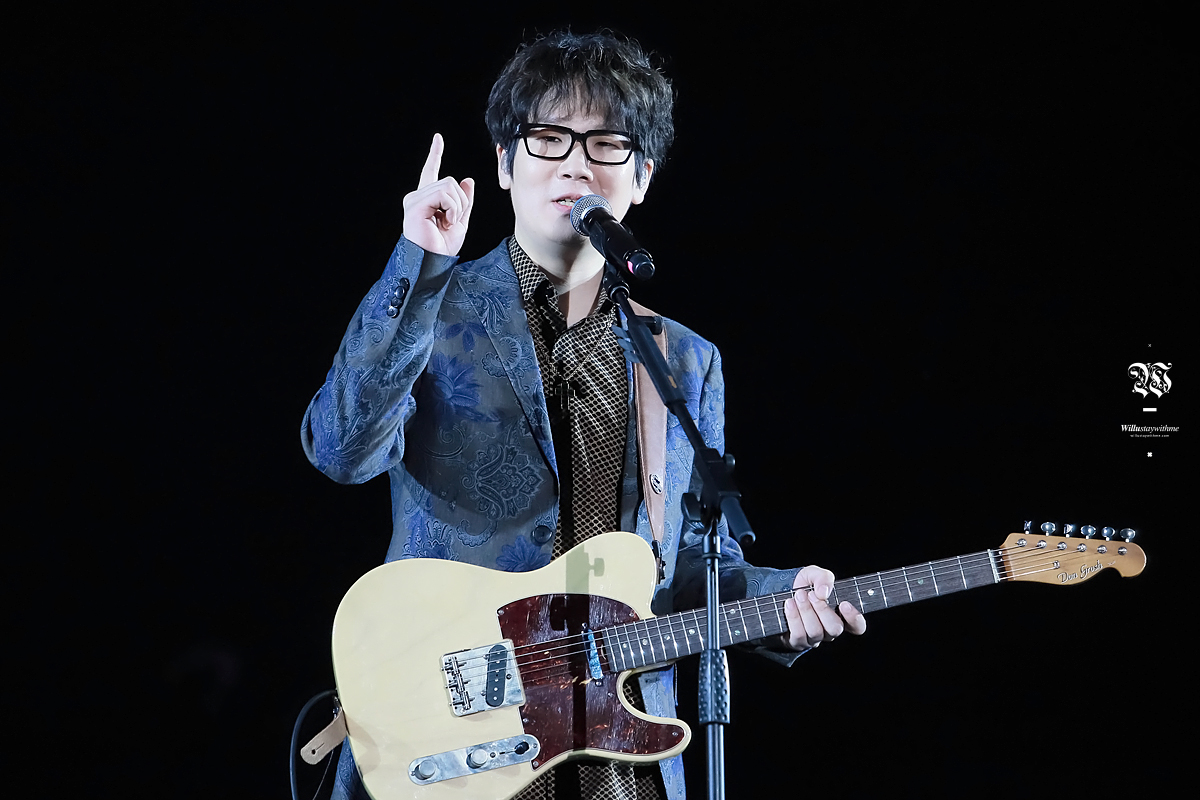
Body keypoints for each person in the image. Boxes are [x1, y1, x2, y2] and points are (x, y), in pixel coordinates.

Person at [302, 30, 866, 800]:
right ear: (504, 162)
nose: (575, 164)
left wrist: (788, 594)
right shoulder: (430, 309)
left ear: (642, 175)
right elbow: (341, 451)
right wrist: (419, 263)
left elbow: (688, 569)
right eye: (548, 137)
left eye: (606, 143)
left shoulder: (682, 360)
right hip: (450, 740)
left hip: (617, 760)